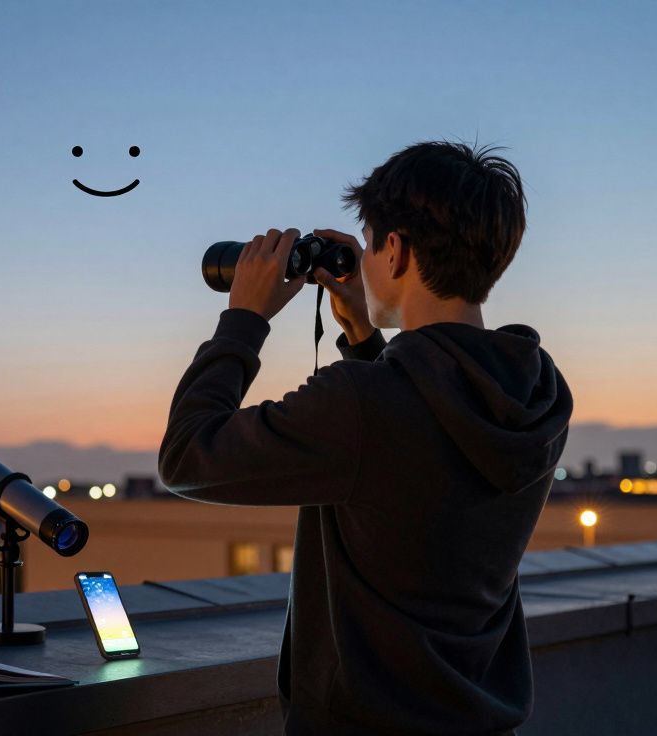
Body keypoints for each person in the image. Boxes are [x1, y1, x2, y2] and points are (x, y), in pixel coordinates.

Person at [156, 140, 573, 735]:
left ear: (396, 251)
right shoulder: (538, 390)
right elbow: (414, 445)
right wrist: (360, 332)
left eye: (372, 244)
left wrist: (244, 319)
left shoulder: (363, 403)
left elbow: (187, 455)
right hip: (481, 720)